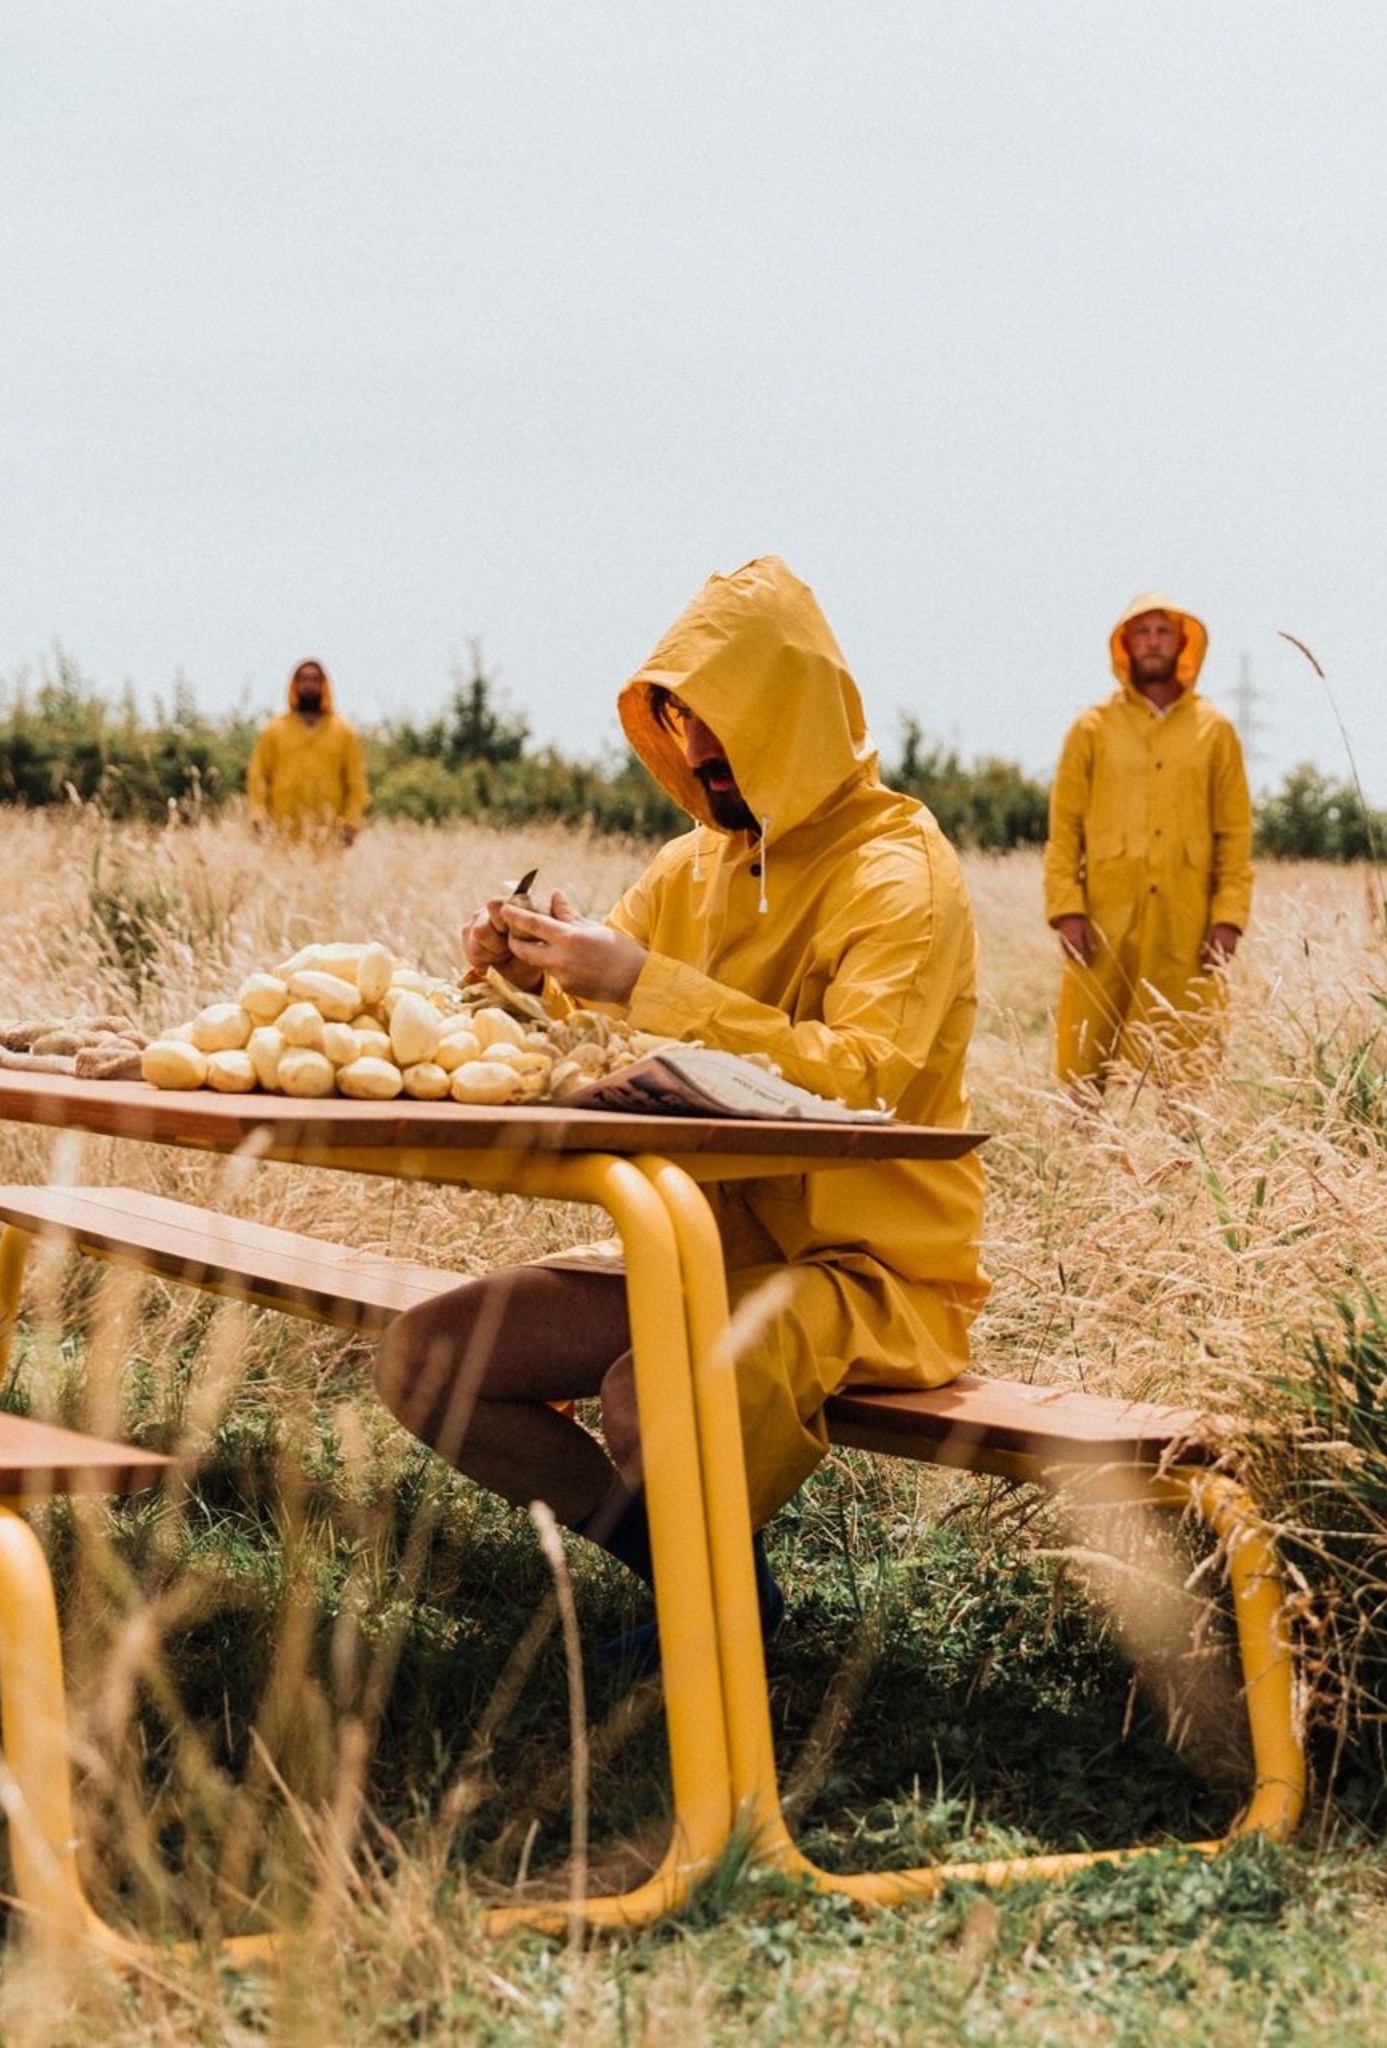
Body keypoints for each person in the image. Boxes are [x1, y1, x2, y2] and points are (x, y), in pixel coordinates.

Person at [373, 556, 988, 1659]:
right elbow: (596, 1014)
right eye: (680, 720)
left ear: (793, 718)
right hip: (696, 1243)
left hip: (870, 1271)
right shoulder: (690, 862)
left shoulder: (904, 874)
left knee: (645, 1390)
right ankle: (702, 1579)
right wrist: (520, 974)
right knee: (428, 1356)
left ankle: (716, 1654)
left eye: (724, 724)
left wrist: (632, 977)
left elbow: (863, 1081)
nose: (699, 752)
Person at [1043, 592, 1253, 1093]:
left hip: (1189, 925)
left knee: (1187, 1055)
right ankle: (1083, 1157)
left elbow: (1235, 833)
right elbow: (1064, 829)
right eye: (1142, 632)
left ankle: (1183, 1156)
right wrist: (1067, 908)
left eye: (1163, 632)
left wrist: (1228, 918)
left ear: (1182, 643)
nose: (1153, 642)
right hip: (1103, 921)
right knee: (1086, 1052)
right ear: (1124, 645)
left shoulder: (1215, 730)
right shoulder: (1091, 729)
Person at [246, 657, 369, 845]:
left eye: (314, 679)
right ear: (294, 685)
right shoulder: (274, 729)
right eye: (303, 679)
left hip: (329, 833)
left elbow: (355, 781)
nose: (309, 685)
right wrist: (258, 817)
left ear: (323, 685)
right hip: (282, 832)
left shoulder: (343, 731)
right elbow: (258, 776)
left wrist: (352, 822)